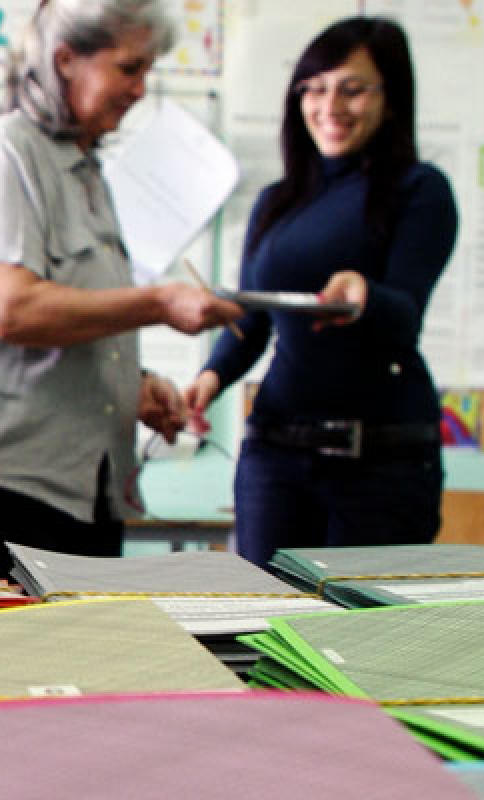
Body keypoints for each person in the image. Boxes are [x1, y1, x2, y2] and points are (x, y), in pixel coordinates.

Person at [0, 0, 244, 578]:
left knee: (78, 638)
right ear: (65, 61)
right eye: (128, 68)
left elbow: (72, 317)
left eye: (146, 71)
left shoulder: (87, 172)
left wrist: (131, 386)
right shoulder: (2, 151)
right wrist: (159, 303)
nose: (139, 90)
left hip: (80, 487)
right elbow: (12, 309)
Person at [180, 17, 459, 569]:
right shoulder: (277, 201)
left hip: (381, 457)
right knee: (266, 610)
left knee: (363, 618)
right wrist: (210, 378)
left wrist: (364, 294)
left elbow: (406, 315)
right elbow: (252, 320)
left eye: (352, 89)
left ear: (390, 99)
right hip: (275, 452)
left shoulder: (419, 190)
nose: (330, 106)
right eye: (315, 88)